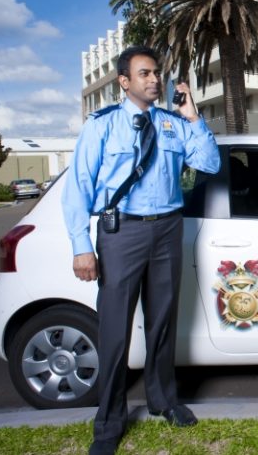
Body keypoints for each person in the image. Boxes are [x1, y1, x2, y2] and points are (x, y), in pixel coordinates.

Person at [62, 46, 220, 455]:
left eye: (157, 73)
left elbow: (209, 163)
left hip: (167, 229)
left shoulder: (174, 124)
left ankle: (163, 400)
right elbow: (79, 185)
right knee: (114, 330)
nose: (154, 79)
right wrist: (81, 246)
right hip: (122, 233)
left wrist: (193, 118)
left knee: (162, 321)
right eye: (145, 73)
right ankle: (109, 423)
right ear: (124, 81)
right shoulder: (102, 125)